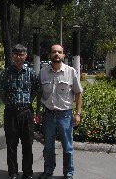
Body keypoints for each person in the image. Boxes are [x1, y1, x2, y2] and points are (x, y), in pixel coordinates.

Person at [37, 44, 83, 179]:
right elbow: (40, 93)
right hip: (49, 115)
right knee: (48, 147)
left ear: (63, 55)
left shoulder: (71, 72)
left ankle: (68, 172)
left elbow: (79, 93)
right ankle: (48, 170)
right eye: (54, 52)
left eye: (59, 52)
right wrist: (38, 112)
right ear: (49, 55)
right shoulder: (43, 72)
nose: (57, 54)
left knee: (68, 147)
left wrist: (78, 113)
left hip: (65, 115)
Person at [0, 44, 39, 179]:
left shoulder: (31, 72)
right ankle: (13, 172)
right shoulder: (5, 73)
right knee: (11, 144)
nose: (18, 57)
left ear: (25, 56)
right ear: (12, 56)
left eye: (21, 54)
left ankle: (27, 172)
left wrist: (25, 104)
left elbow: (35, 90)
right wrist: (11, 104)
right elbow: (2, 93)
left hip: (26, 112)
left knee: (27, 144)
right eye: (16, 54)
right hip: (11, 113)